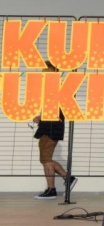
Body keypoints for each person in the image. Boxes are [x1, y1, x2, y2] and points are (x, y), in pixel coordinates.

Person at [32, 61, 77, 200]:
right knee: (45, 159)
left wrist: (42, 117)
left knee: (46, 160)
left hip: (51, 127)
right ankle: (67, 178)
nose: (43, 74)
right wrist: (41, 117)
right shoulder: (52, 89)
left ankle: (52, 190)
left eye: (46, 71)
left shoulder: (59, 88)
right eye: (43, 72)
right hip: (48, 126)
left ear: (55, 72)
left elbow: (59, 109)